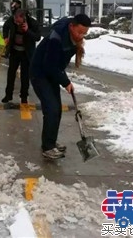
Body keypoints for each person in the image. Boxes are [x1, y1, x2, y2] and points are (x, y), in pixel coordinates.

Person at [29, 14, 91, 160]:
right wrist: (65, 82)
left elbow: (57, 64)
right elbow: (49, 65)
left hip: (51, 74)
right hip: (40, 73)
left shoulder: (71, 37)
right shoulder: (56, 38)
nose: (81, 36)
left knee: (56, 109)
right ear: (71, 27)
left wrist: (64, 80)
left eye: (84, 33)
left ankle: (51, 142)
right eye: (79, 32)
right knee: (51, 109)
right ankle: (48, 148)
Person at [1, 8, 41, 104]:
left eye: (18, 21)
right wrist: (6, 37)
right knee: (11, 74)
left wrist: (27, 30)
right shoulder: (12, 20)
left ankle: (24, 96)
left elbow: (37, 37)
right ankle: (8, 95)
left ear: (24, 18)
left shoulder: (33, 23)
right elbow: (5, 27)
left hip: (26, 53)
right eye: (15, 20)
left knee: (25, 76)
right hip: (14, 51)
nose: (16, 22)